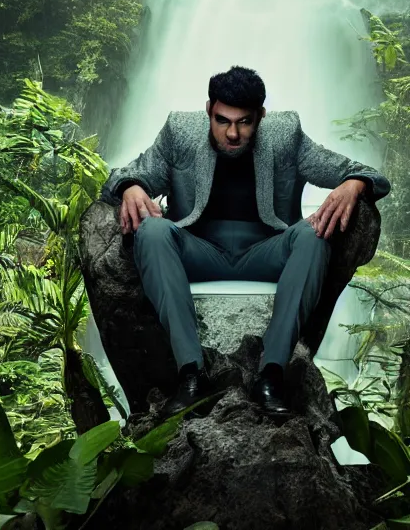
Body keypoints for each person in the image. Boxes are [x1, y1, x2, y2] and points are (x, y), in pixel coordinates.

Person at [100, 66, 390, 417]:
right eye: (223, 120)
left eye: (245, 122)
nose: (233, 133)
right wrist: (131, 186)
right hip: (197, 248)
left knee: (314, 235)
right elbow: (123, 174)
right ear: (209, 110)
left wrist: (353, 184)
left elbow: (369, 174)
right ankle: (191, 374)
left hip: (266, 249)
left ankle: (271, 375)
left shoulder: (285, 133)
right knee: (152, 230)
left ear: (261, 116)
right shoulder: (180, 130)